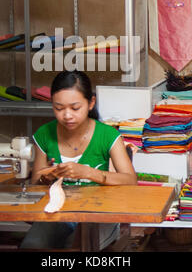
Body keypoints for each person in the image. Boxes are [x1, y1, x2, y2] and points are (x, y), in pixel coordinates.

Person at [20, 70, 137, 250]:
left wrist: (88, 172)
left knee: (75, 246)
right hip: (57, 214)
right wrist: (47, 177)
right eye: (59, 108)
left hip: (98, 215)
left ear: (91, 103)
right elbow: (35, 184)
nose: (67, 115)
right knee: (31, 246)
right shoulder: (44, 134)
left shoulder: (108, 136)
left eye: (75, 108)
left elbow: (130, 180)